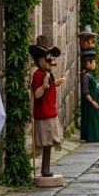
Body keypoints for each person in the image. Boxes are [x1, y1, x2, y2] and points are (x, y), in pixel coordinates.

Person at [29, 36, 64, 177]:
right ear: (40, 60)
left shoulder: (47, 74)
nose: (51, 62)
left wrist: (54, 84)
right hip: (44, 113)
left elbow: (48, 88)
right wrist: (44, 86)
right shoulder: (38, 75)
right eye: (48, 59)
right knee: (47, 142)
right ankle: (44, 169)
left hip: (50, 111)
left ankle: (46, 168)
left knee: (50, 142)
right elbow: (37, 94)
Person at [79, 50, 99, 143]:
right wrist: (92, 101)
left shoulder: (90, 75)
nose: (94, 64)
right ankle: (91, 136)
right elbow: (86, 92)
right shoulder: (86, 76)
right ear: (87, 63)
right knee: (91, 120)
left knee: (95, 120)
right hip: (91, 104)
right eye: (93, 62)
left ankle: (95, 136)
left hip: (95, 101)